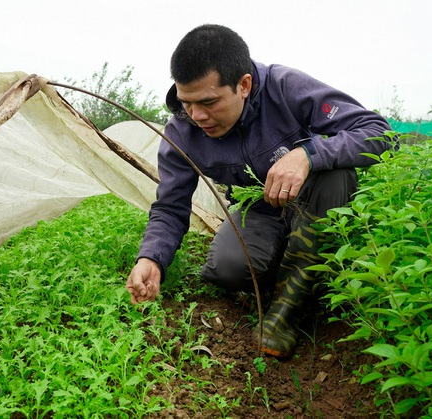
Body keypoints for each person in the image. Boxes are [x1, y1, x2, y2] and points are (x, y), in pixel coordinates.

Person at [125, 24, 394, 358]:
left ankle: (287, 310)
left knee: (336, 175)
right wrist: (152, 258)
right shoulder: (181, 131)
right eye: (187, 103)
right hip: (262, 211)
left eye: (209, 102)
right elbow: (170, 207)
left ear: (244, 85)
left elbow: (380, 133)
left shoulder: (286, 88)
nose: (198, 116)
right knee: (227, 269)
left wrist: (309, 155)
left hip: (315, 202)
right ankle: (292, 266)